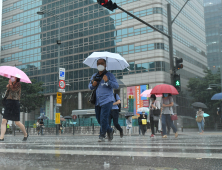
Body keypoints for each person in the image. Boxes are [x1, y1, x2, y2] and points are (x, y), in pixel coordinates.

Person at [88, 59, 119, 142]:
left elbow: (116, 85)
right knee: (98, 119)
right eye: (98, 63)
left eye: (102, 63)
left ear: (105, 65)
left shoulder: (110, 75)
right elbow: (90, 86)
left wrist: (107, 81)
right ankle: (110, 130)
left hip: (107, 100)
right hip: (98, 101)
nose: (100, 65)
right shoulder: (95, 76)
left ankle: (101, 136)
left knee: (103, 118)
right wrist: (92, 85)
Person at [0, 76, 28, 141]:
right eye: (11, 77)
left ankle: (25, 134)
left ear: (16, 78)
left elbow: (14, 91)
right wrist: (7, 88)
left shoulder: (18, 85)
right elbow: (7, 95)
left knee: (17, 122)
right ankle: (1, 137)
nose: (11, 78)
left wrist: (10, 85)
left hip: (15, 103)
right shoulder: (9, 85)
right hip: (8, 103)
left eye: (13, 77)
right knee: (4, 121)